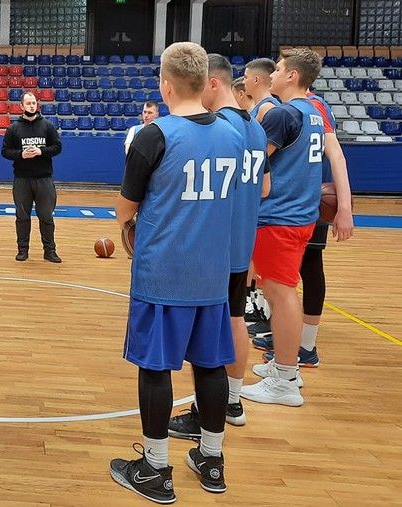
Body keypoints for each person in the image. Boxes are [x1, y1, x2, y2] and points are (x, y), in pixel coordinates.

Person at [109, 42, 244, 503]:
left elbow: (125, 208)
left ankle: (155, 468)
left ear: (165, 86)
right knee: (211, 366)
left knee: (155, 369)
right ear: (205, 82)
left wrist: (132, 226)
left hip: (164, 272)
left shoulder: (154, 136)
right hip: (212, 272)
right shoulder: (232, 134)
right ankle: (212, 459)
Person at [168, 54, 270, 439]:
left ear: (212, 83)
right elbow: (264, 188)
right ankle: (232, 401)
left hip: (215, 244)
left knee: (209, 334)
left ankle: (208, 414)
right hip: (241, 241)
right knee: (235, 319)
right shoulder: (254, 126)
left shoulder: (219, 127)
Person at [240, 48, 326, 407]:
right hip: (302, 214)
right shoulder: (314, 111)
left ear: (292, 75)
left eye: (277, 69)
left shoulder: (283, 114)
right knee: (281, 290)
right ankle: (284, 366)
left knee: (281, 293)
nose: (272, 75)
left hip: (280, 216)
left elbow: (254, 164)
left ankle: (286, 379)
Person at [252, 89, 355, 364]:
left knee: (308, 268)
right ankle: (285, 334)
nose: (274, 73)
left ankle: (306, 344)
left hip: (302, 202)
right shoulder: (290, 108)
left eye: (279, 68)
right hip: (298, 201)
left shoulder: (313, 106)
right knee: (282, 279)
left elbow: (337, 156)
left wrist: (344, 207)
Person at [1, 92, 62, 263]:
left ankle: (50, 251)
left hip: (44, 178)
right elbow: (5, 151)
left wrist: (41, 151)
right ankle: (22, 250)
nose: (31, 106)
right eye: (28, 103)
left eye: (34, 103)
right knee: (22, 217)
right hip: (22, 179)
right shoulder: (13, 128)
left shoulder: (47, 125)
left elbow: (58, 147)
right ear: (21, 106)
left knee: (46, 216)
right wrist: (21, 154)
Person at [243, 58, 280, 122]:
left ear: (256, 80)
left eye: (246, 77)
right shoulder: (260, 105)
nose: (243, 82)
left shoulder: (266, 107)